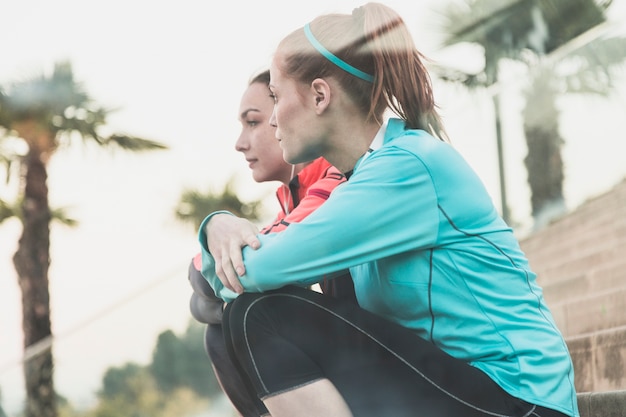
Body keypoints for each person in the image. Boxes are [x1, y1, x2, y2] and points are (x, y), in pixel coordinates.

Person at [197, 3, 579, 417]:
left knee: (259, 315)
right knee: (235, 322)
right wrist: (219, 229)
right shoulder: (360, 181)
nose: (272, 118)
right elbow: (233, 282)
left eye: (275, 96)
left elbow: (254, 272)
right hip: (453, 387)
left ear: (320, 95)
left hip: (521, 399)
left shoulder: (408, 167)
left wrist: (216, 231)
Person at [188, 69, 355, 417]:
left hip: (404, 357)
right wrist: (216, 228)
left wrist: (219, 241)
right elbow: (201, 287)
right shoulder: (293, 197)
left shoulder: (338, 177)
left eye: (254, 122)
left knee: (246, 314)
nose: (240, 142)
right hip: (363, 350)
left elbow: (226, 275)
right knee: (225, 327)